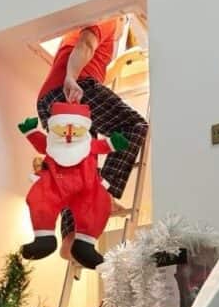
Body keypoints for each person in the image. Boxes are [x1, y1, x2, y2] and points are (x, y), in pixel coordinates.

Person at [36, 17, 149, 203]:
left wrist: (124, 60)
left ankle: (72, 230)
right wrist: (71, 77)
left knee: (78, 171)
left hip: (48, 101)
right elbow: (86, 44)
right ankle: (103, 196)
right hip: (73, 90)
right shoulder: (109, 19)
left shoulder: (78, 32)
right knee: (134, 125)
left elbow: (95, 64)